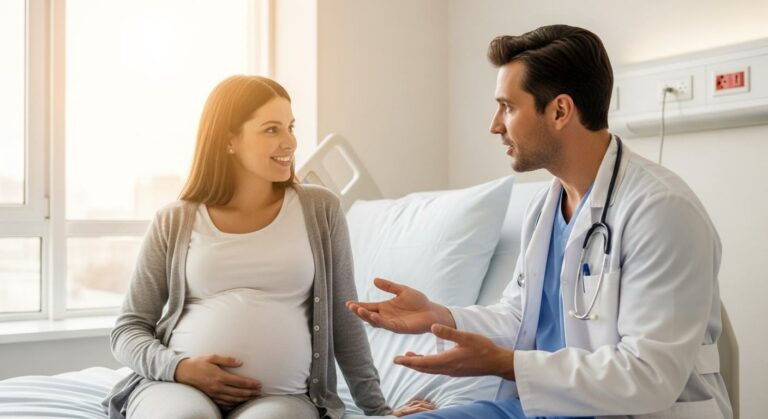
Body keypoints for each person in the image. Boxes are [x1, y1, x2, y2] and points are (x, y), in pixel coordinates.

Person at [347, 25, 732, 419]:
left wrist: (504, 363)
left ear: (560, 111)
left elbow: (650, 377)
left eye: (508, 107)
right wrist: (440, 316)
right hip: (545, 408)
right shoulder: (546, 204)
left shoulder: (661, 210)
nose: (495, 125)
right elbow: (520, 316)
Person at [103, 75, 434, 419]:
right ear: (229, 139)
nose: (290, 142)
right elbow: (128, 329)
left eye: (291, 127)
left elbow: (343, 322)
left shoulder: (320, 209)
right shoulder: (174, 219)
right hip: (177, 388)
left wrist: (378, 410)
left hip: (281, 398)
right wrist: (180, 368)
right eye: (272, 130)